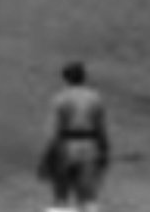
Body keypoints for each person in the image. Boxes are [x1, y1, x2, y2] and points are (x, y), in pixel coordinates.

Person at [41, 61, 110, 212]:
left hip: (65, 146)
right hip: (90, 146)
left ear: (65, 78)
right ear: (84, 77)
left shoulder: (60, 98)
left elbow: (53, 132)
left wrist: (46, 156)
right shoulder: (95, 98)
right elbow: (101, 129)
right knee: (88, 196)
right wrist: (104, 151)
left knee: (61, 195)